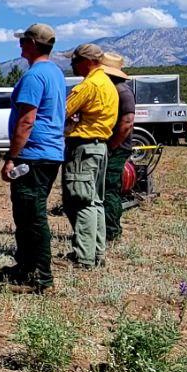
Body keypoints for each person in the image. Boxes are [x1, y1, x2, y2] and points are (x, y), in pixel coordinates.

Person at [0, 24, 66, 293]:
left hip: (33, 155)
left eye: (24, 40)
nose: (20, 45)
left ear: (35, 44)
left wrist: (11, 156)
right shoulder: (56, 73)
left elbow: (26, 120)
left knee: (32, 215)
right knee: (26, 214)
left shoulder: (34, 77)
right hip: (49, 153)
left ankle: (41, 277)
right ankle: (25, 267)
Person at [61, 43, 118, 268]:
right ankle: (97, 252)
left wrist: (70, 121)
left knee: (80, 200)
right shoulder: (108, 84)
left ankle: (83, 256)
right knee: (95, 201)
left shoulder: (88, 85)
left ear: (86, 61)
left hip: (83, 148)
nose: (72, 66)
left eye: (74, 61)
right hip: (99, 147)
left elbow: (62, 112)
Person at [101, 52, 134, 243]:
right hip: (113, 145)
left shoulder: (122, 91)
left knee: (109, 188)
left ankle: (112, 231)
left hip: (117, 147)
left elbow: (127, 122)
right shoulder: (114, 89)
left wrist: (113, 146)